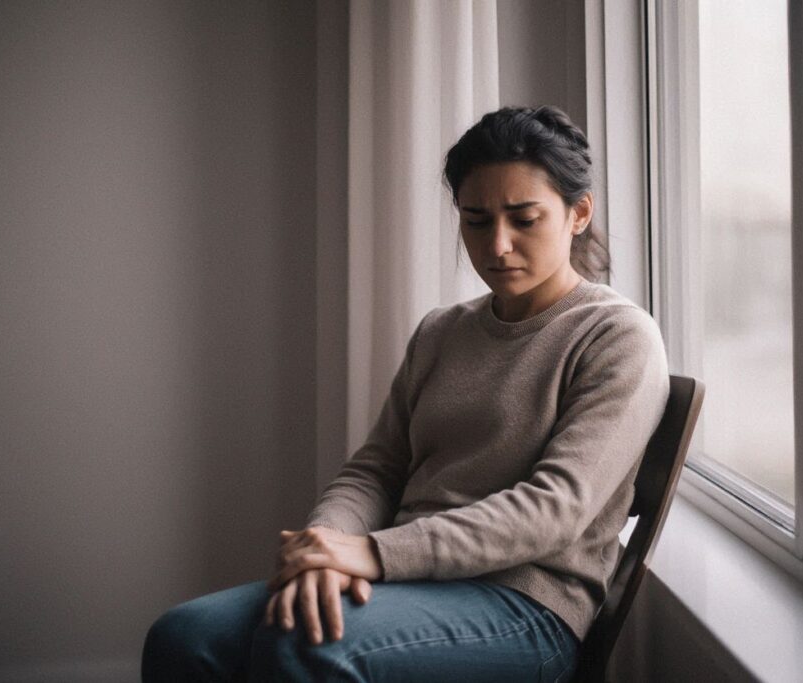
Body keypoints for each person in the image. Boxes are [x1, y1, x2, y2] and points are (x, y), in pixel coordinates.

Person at [141, 105, 670, 682]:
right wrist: (329, 545)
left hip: (527, 604)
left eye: (524, 219)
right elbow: (376, 470)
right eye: (475, 220)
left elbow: (555, 509)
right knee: (183, 638)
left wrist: (372, 555)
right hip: (406, 576)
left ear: (578, 214)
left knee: (308, 646)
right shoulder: (442, 330)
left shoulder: (618, 337)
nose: (497, 245)